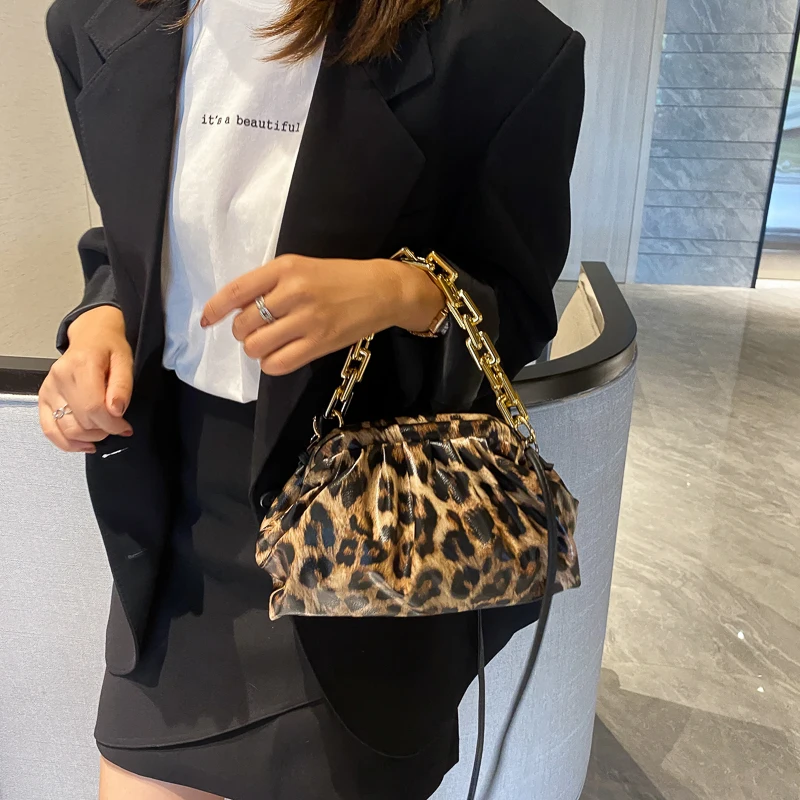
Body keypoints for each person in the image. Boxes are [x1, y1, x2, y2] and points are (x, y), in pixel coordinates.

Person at [40, 0, 585, 798]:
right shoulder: (96, 19)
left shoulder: (501, 44)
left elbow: (519, 308)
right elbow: (133, 245)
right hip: (178, 536)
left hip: (367, 537)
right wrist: (98, 320)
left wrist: (399, 291)